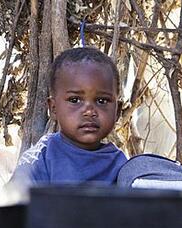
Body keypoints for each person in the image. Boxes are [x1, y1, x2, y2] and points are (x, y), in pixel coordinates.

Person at [10, 47, 127, 186]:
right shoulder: (42, 158)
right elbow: (12, 200)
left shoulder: (120, 164)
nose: (89, 111)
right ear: (53, 108)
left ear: (117, 111)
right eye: (75, 100)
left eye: (101, 101)